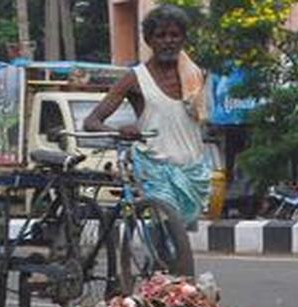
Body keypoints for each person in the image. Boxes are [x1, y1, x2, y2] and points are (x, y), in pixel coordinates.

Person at [83, 4, 212, 228]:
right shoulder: (134, 79)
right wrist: (119, 131)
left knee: (179, 232)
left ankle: (161, 262)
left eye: (174, 35)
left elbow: (202, 118)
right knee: (166, 221)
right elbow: (91, 122)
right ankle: (163, 261)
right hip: (155, 167)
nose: (168, 41)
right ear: (149, 40)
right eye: (160, 35)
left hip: (192, 168)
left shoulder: (195, 75)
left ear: (183, 39)